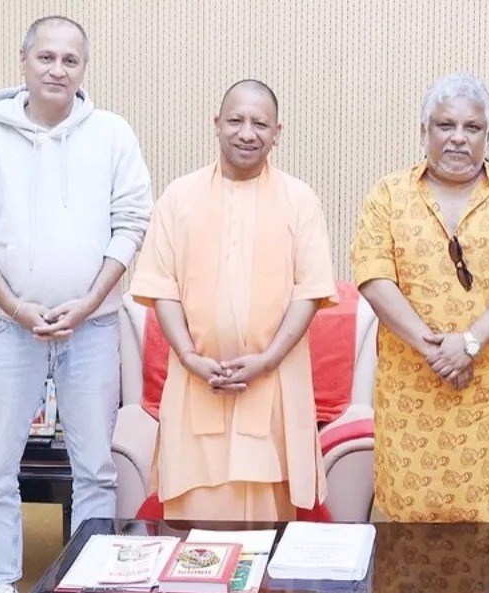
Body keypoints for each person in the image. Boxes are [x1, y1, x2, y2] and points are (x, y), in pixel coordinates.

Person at [0, 16, 153, 593]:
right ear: (24, 60)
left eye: (70, 60)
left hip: (92, 326)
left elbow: (132, 221)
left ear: (84, 68)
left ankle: (88, 579)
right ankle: (1, 582)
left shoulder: (112, 134)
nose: (58, 69)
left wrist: (89, 302)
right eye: (46, 57)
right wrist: (14, 306)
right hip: (3, 326)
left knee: (96, 468)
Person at [128, 79, 336, 521]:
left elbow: (310, 292)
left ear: (277, 132)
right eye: (236, 120)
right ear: (217, 123)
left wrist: (268, 360)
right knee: (195, 528)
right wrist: (189, 357)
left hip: (273, 382)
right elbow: (162, 287)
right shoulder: (178, 197)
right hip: (196, 382)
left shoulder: (300, 200)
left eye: (259, 124)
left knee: (267, 527)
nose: (247, 133)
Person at [352, 73, 489, 522]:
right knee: (407, 529)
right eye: (445, 125)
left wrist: (470, 343)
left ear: (487, 135)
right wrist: (438, 351)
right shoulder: (388, 194)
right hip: (411, 393)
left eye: (471, 127)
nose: (458, 137)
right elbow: (374, 277)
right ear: (424, 131)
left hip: (487, 395)